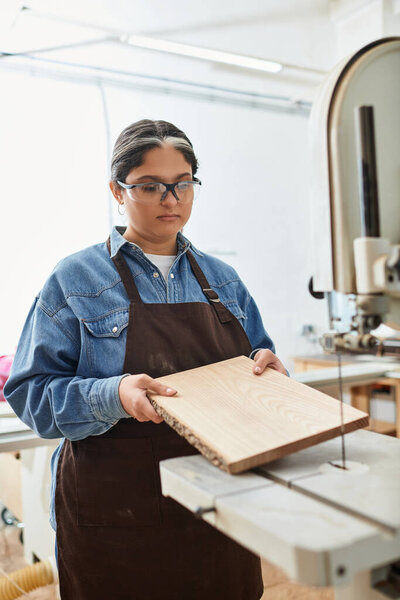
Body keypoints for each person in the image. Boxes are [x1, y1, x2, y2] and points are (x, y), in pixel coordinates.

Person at [4, 119, 287, 600]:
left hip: (219, 509)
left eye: (182, 184)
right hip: (115, 516)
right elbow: (31, 394)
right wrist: (113, 394)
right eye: (150, 186)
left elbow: (262, 366)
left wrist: (271, 373)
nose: (170, 200)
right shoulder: (76, 278)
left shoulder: (224, 280)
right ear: (118, 190)